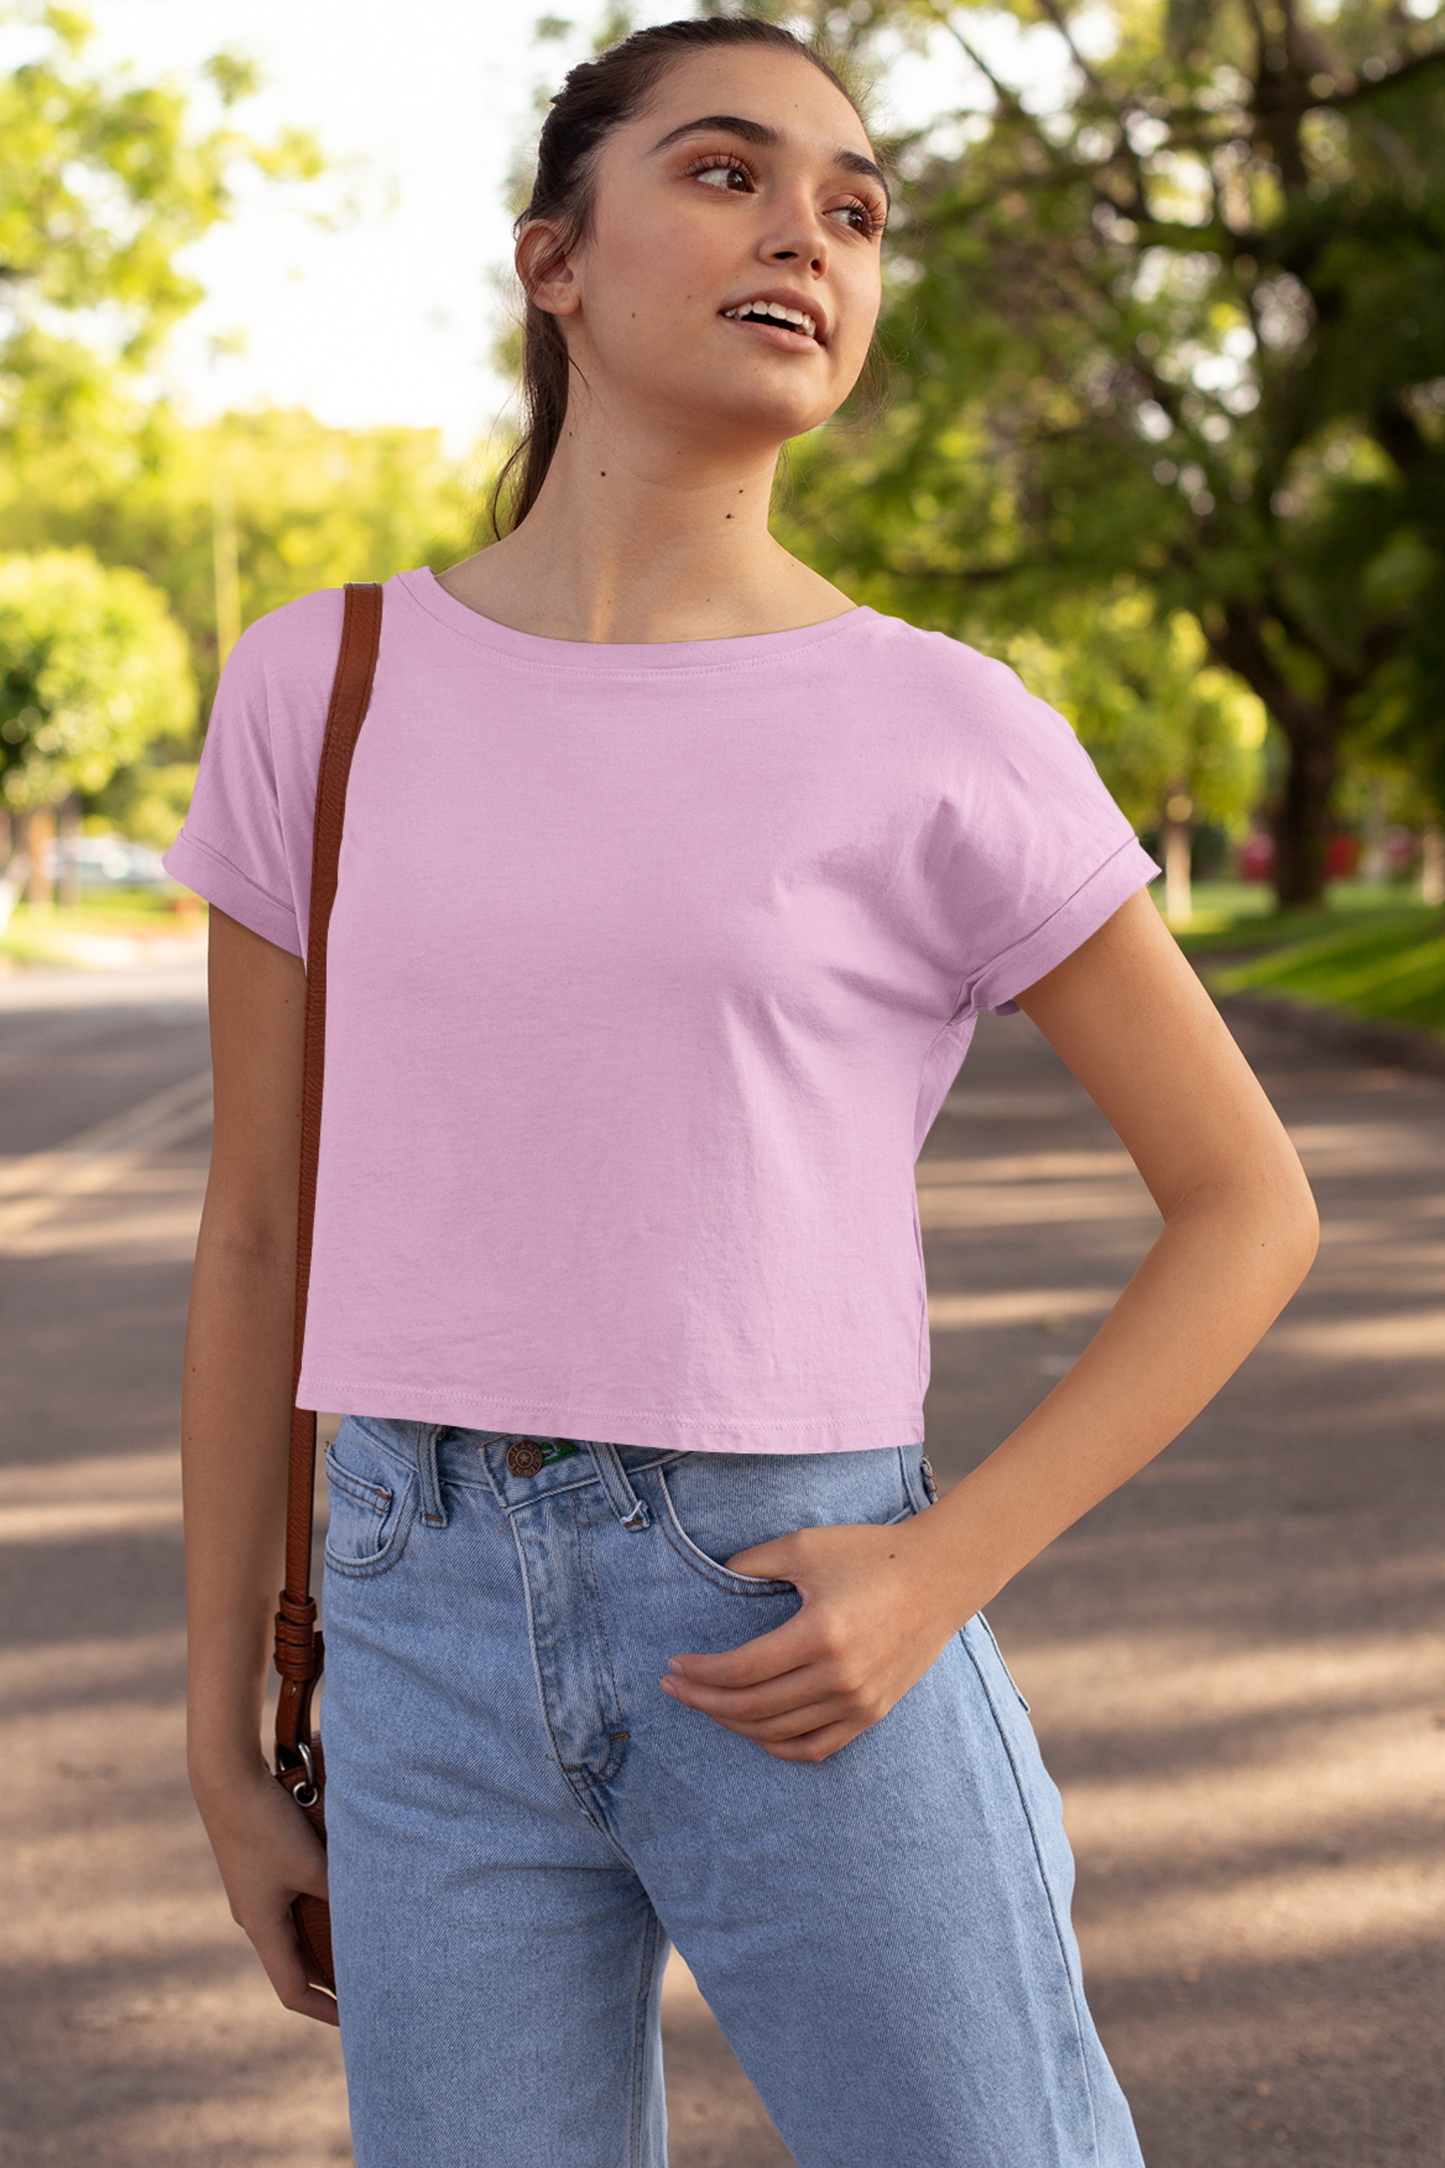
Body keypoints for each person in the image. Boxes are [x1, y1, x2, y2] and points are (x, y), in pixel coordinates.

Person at [168, 17, 1318, 2167]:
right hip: (411, 1617)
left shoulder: (941, 726)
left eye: (855, 209)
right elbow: (256, 1232)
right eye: (725, 174)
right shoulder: (317, 687)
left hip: (790, 1603)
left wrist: (936, 1570)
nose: (809, 230)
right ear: (555, 262)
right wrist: (226, 1734)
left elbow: (1247, 1204)